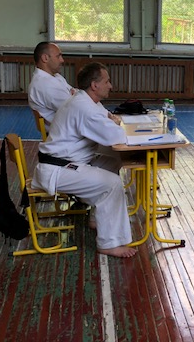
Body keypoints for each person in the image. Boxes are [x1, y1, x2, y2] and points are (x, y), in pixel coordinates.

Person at [32, 62, 136, 258]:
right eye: (107, 81)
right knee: (112, 183)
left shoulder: (87, 101)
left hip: (68, 161)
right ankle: (109, 243)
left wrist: (113, 122)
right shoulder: (83, 107)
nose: (111, 86)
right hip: (58, 169)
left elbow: (108, 119)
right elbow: (115, 136)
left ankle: (97, 217)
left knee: (113, 161)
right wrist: (115, 124)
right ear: (94, 85)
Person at [28, 42, 75, 127]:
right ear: (45, 58)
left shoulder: (55, 76)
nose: (62, 60)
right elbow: (76, 108)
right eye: (58, 56)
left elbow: (76, 94)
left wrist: (74, 95)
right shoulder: (45, 84)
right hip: (65, 131)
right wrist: (74, 95)